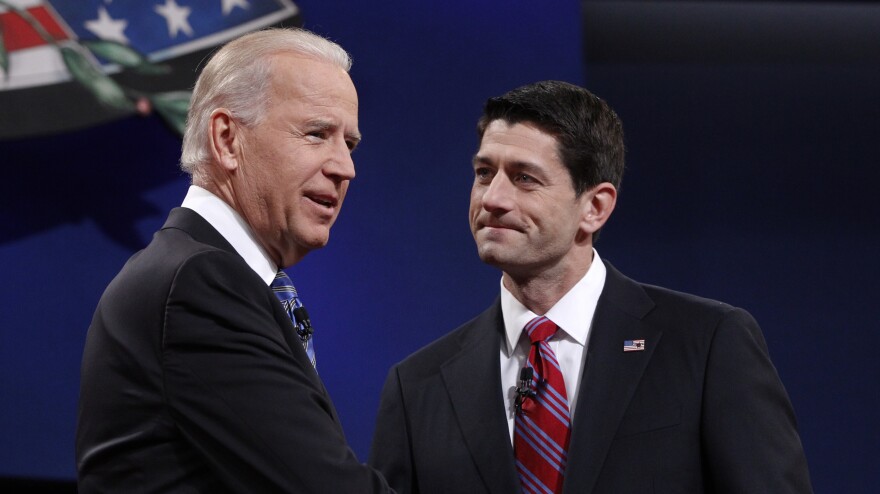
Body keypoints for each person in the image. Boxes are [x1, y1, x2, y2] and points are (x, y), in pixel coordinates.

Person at [369, 81, 813, 493]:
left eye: (525, 178)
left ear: (595, 208)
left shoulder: (707, 344)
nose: (492, 199)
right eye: (485, 173)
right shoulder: (417, 386)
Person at [76, 28, 393, 493]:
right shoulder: (199, 285)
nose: (345, 166)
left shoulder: (201, 274)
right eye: (316, 133)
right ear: (227, 139)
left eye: (350, 143)